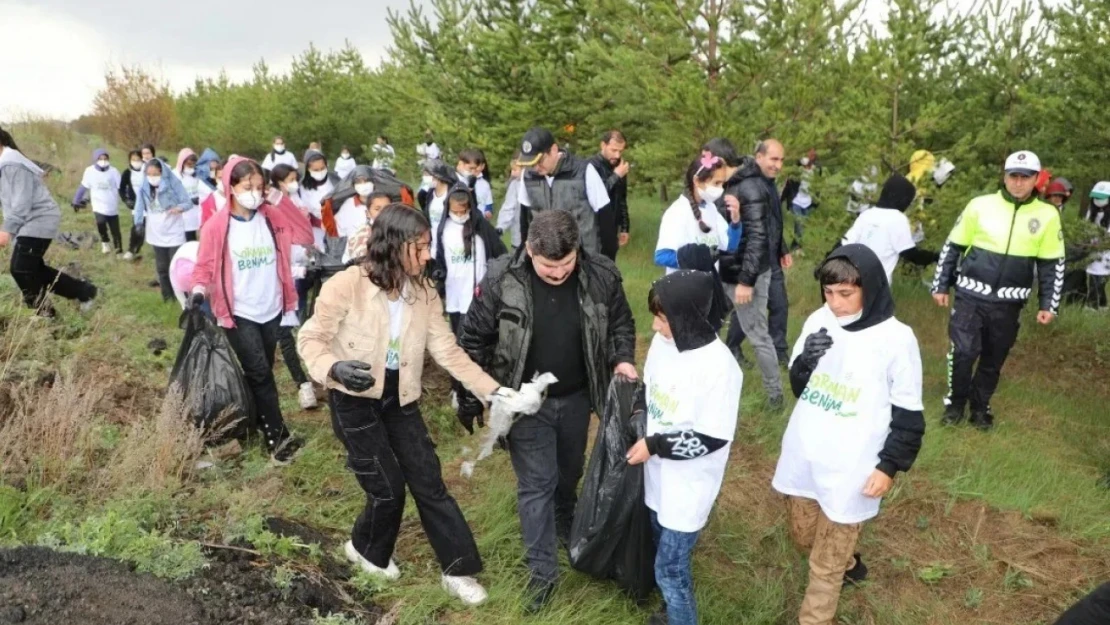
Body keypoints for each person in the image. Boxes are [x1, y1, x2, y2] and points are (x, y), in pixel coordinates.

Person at [297, 205, 523, 607]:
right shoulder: (346, 285)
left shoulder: (422, 293)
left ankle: (458, 570)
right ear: (393, 246)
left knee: (429, 482)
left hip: (401, 397)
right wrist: (335, 368)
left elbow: (448, 352)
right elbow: (310, 339)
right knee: (387, 488)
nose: (427, 255)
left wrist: (494, 391)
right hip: (354, 399)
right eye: (419, 247)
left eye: (427, 246)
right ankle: (367, 549)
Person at [457, 209, 637, 611]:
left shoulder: (602, 275)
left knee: (568, 472)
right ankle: (542, 575)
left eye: (566, 265)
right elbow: (473, 338)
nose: (558, 274)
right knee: (536, 483)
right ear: (529, 249)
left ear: (578, 252)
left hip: (577, 398)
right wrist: (472, 395)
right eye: (548, 267)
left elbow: (621, 323)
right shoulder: (502, 277)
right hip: (523, 403)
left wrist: (622, 358)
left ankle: (564, 523)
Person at [774, 244, 925, 625]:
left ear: (870, 288)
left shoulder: (896, 339)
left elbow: (909, 414)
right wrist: (806, 360)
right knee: (802, 536)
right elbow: (798, 386)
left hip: (854, 464)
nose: (835, 303)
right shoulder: (818, 320)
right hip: (807, 452)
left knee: (824, 567)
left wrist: (889, 466)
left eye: (846, 293)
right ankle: (850, 561)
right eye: (828, 292)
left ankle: (816, 614)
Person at [625, 270, 742, 625]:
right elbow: (649, 387)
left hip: (688, 486)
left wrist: (654, 444)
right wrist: (639, 413)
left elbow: (711, 438)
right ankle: (669, 611)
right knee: (662, 550)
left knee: (670, 569)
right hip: (659, 476)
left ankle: (681, 616)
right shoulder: (665, 345)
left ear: (688, 316)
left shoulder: (720, 368)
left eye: (663, 319)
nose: (656, 328)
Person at [190, 157, 313, 464]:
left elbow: (305, 235)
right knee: (259, 373)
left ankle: (252, 420)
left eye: (260, 187)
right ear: (231, 187)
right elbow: (204, 266)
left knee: (263, 370)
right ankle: (277, 437)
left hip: (271, 307)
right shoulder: (217, 226)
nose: (255, 193)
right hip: (238, 312)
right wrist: (197, 291)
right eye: (248, 187)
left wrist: (279, 199)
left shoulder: (271, 217)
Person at [932, 150, 1065, 430]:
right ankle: (955, 404)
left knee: (994, 357)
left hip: (1009, 302)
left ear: (1036, 180)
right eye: (1013, 176)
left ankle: (980, 408)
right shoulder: (979, 205)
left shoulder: (1047, 215)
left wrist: (1048, 304)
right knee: (964, 352)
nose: (1018, 183)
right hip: (970, 295)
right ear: (1004, 177)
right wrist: (941, 284)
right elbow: (952, 246)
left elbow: (1052, 263)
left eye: (1025, 177)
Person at [705, 138, 790, 406]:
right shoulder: (726, 185)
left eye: (708, 161)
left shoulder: (751, 187)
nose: (704, 167)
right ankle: (712, 384)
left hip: (746, 276)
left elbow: (758, 238)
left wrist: (746, 280)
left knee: (757, 334)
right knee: (708, 326)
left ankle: (775, 397)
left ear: (719, 162)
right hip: (725, 270)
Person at [0, 126, 98, 317]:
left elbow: (21, 202)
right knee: (33, 269)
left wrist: (7, 230)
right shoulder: (5, 162)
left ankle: (46, 315)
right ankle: (85, 292)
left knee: (20, 269)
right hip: (30, 221)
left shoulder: (11, 163)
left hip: (37, 220)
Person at [431, 186, 508, 428]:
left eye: (464, 210)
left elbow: (500, 255)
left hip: (483, 300)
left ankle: (490, 389)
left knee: (487, 345)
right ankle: (461, 392)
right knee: (460, 348)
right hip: (456, 300)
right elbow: (438, 261)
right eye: (455, 210)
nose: (460, 214)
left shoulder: (482, 228)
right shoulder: (442, 230)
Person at [515, 127, 611, 257]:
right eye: (531, 163)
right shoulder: (527, 176)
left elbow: (606, 218)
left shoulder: (584, 171)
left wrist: (606, 263)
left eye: (540, 161)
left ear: (553, 150)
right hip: (545, 260)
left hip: (583, 259)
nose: (536, 167)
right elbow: (525, 221)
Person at [271, 164, 320, 410]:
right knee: (283, 336)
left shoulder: (293, 204)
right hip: (275, 284)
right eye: (289, 179)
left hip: (299, 274)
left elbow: (304, 235)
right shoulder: (268, 213)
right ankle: (302, 384)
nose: (294, 183)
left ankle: (315, 376)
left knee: (304, 326)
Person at [839, 173, 939, 285]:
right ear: (903, 199)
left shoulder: (867, 214)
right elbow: (910, 254)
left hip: (851, 281)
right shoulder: (898, 219)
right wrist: (937, 257)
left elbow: (843, 244)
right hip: (876, 286)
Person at [654, 153, 740, 274]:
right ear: (697, 181)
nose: (720, 189)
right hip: (685, 288)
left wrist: (735, 221)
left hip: (709, 286)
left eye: (722, 184)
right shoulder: (677, 212)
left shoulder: (711, 209)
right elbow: (661, 256)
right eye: (716, 183)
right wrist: (694, 259)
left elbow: (730, 245)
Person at [134, 158, 195, 303]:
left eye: (156, 174)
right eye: (149, 174)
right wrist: (138, 223)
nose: (152, 177)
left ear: (162, 173)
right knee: (162, 268)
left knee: (176, 267)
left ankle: (183, 296)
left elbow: (188, 202)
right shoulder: (144, 187)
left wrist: (178, 208)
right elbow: (139, 206)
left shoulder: (174, 184)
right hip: (156, 233)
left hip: (174, 232)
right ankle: (168, 297)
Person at [589, 130, 632, 260]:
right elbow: (597, 195)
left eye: (620, 151)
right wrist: (616, 176)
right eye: (613, 150)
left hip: (612, 227)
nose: (617, 155)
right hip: (594, 228)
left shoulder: (619, 166)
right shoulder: (591, 166)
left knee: (610, 267)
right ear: (603, 145)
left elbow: (622, 198)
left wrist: (625, 227)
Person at [72, 149, 123, 255]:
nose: (103, 161)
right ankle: (105, 242)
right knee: (101, 224)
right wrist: (76, 201)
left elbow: (121, 188)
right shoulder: (89, 171)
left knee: (115, 230)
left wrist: (127, 200)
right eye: (100, 159)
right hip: (98, 205)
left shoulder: (114, 172)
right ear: (95, 159)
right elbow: (83, 187)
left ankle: (119, 250)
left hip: (112, 206)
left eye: (105, 158)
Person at [322, 165, 379, 240]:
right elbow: (338, 230)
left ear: (373, 182)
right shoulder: (348, 205)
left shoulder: (382, 201)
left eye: (366, 180)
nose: (363, 184)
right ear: (354, 185)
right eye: (358, 181)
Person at [417, 160, 458, 258]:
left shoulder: (452, 194)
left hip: (450, 244)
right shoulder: (430, 194)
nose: (424, 178)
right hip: (434, 244)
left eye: (426, 174)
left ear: (437, 176)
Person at [781, 149, 820, 251]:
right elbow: (789, 184)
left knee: (801, 226)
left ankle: (794, 244)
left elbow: (818, 185)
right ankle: (798, 248)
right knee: (799, 224)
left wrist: (816, 200)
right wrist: (783, 198)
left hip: (807, 202)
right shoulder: (798, 170)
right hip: (796, 201)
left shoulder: (816, 170)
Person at [174, 148, 213, 242]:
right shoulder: (175, 175)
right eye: (188, 164)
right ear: (182, 162)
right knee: (187, 237)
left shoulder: (198, 174)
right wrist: (189, 200)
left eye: (193, 164)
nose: (191, 166)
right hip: (183, 213)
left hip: (197, 211)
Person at [344, 191, 392, 264]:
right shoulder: (362, 235)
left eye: (387, 208)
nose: (383, 212)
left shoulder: (396, 229)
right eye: (377, 209)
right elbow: (363, 265)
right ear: (367, 213)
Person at [119, 149, 146, 260]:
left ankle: (137, 247)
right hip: (136, 205)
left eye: (138, 159)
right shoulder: (127, 173)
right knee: (137, 227)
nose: (136, 161)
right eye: (133, 159)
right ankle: (131, 250)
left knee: (145, 229)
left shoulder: (147, 171)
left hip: (149, 205)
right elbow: (121, 189)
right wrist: (126, 200)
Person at [495, 152, 524, 250]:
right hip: (518, 239)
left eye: (515, 169)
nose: (512, 173)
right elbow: (508, 208)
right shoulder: (515, 185)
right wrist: (500, 227)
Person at [456, 148, 494, 218]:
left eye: (475, 168)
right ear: (461, 164)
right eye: (470, 168)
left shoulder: (485, 184)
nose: (473, 172)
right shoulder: (457, 180)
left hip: (479, 219)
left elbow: (488, 202)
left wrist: (488, 211)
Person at [199, 160, 227, 227]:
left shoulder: (238, 198)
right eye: (220, 178)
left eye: (225, 178)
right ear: (215, 178)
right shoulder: (209, 201)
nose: (223, 181)